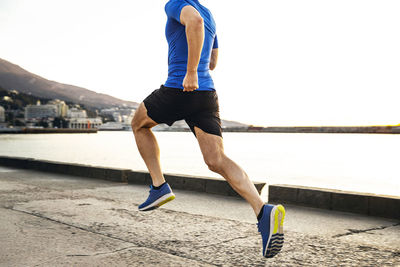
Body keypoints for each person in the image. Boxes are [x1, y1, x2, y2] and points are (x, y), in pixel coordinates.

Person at [131, 0, 285, 258]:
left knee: (138, 123)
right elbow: (213, 61)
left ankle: (159, 186)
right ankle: (262, 210)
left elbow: (195, 23)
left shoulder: (176, 4)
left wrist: (190, 71)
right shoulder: (210, 13)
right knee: (216, 159)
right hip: (206, 94)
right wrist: (198, 69)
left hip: (180, 86)